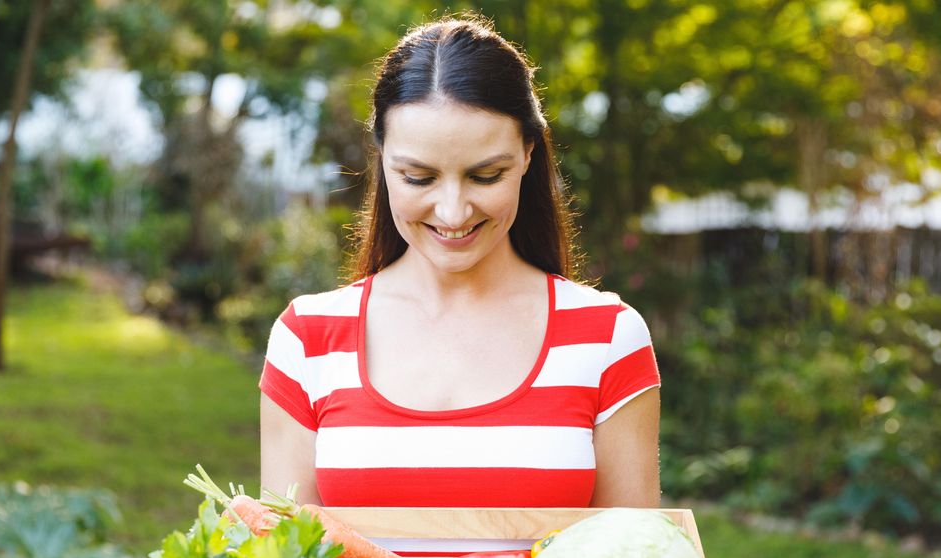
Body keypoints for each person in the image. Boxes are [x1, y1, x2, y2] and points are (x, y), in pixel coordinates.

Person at [258, 16, 660, 509]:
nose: (453, 212)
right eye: (418, 178)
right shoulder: (308, 338)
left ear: (528, 153)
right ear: (382, 159)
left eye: (486, 176)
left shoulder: (607, 339)